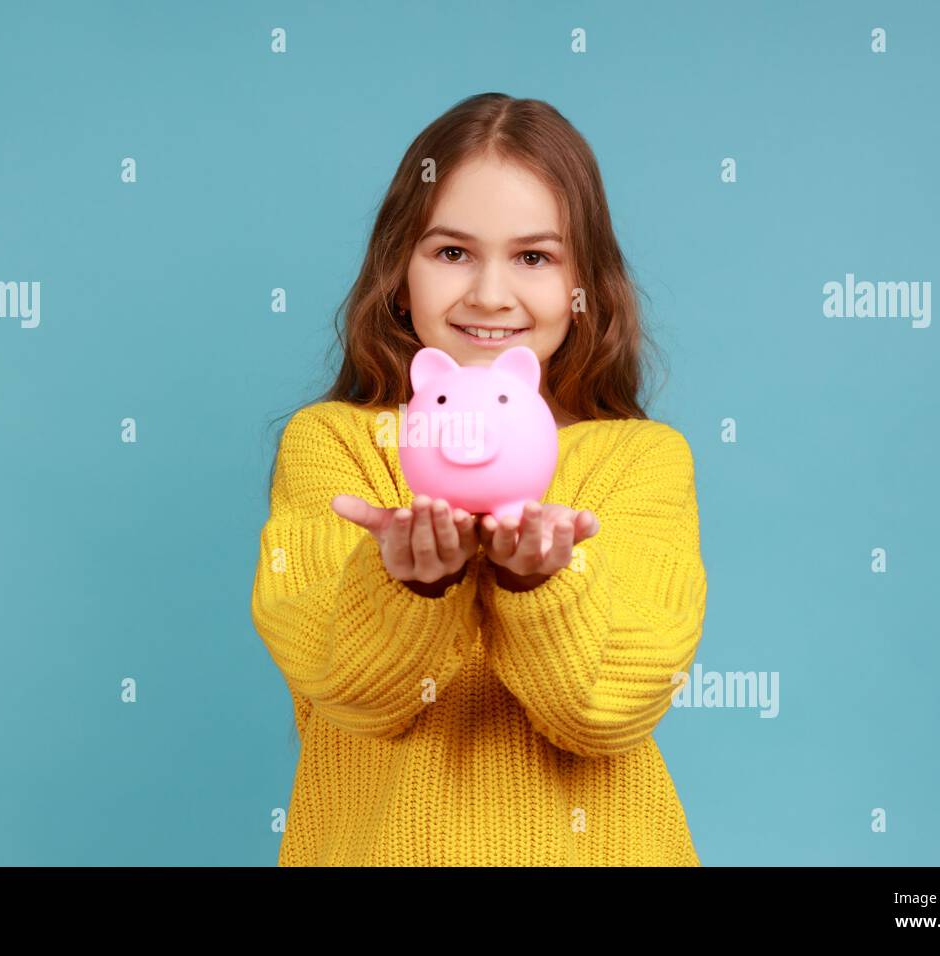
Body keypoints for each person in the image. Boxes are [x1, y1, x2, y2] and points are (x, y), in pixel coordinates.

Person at [250, 92, 707, 866]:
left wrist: (541, 587)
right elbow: (345, 687)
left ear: (582, 287)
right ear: (399, 273)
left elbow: (607, 710)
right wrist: (408, 586)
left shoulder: (642, 461)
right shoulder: (334, 449)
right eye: (452, 252)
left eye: (534, 257)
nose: (490, 295)